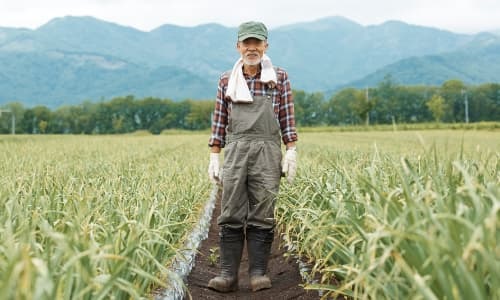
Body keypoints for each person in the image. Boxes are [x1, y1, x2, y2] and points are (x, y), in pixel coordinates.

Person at [207, 21, 298, 293]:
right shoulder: (226, 79)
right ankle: (227, 274)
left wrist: (291, 149)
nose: (251, 48)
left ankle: (258, 272)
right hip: (236, 150)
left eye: (257, 43)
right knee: (231, 209)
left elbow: (287, 117)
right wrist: (214, 155)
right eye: (247, 43)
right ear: (238, 47)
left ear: (265, 46)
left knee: (263, 209)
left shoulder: (279, 78)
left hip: (267, 149)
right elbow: (220, 120)